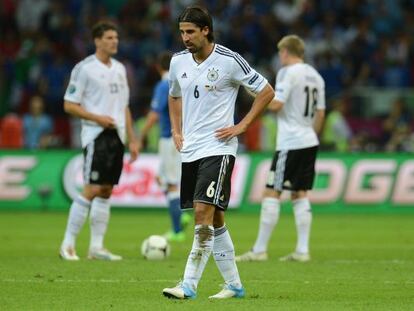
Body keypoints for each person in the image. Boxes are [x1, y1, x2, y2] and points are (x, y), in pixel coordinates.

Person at [162, 6, 274, 299]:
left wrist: (243, 125)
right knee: (216, 218)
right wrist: (176, 129)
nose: (185, 37)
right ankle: (234, 285)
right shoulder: (177, 62)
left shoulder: (229, 61)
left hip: (219, 148)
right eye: (182, 32)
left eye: (190, 32)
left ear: (205, 30)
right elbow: (173, 95)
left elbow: (266, 92)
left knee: (202, 213)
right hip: (191, 150)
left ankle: (188, 284)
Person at [236, 35, 325, 263]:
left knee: (271, 192)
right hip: (308, 140)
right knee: (300, 193)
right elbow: (321, 113)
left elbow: (276, 104)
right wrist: (311, 135)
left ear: (285, 52)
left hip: (290, 142)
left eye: (280, 53)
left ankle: (259, 250)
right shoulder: (316, 76)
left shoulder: (288, 72)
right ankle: (302, 251)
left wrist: (254, 92)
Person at [59, 21, 138, 261]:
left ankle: (96, 247)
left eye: (116, 38)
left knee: (106, 190)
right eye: (109, 38)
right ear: (97, 41)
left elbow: (124, 106)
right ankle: (68, 244)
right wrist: (97, 118)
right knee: (91, 188)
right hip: (96, 134)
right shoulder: (84, 69)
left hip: (117, 134)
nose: (115, 41)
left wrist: (133, 139)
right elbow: (69, 105)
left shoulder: (120, 69)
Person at [137, 51, 190, 242]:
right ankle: (181, 214)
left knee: (172, 183)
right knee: (163, 179)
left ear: (158, 67)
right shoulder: (184, 82)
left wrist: (140, 135)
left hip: (170, 138)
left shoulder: (163, 85)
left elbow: (154, 114)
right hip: (185, 137)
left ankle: (177, 230)